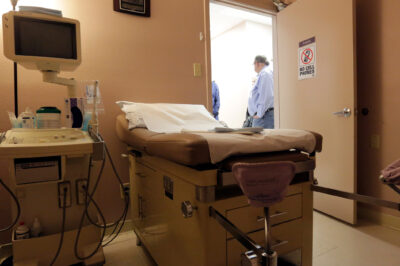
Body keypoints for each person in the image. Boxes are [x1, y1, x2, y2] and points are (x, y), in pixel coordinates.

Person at [247, 55, 274, 128]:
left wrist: (259, 114)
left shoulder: (265, 74)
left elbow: (265, 96)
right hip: (264, 115)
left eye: (254, 65)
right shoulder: (266, 73)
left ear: (257, 63)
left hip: (264, 116)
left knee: (260, 139)